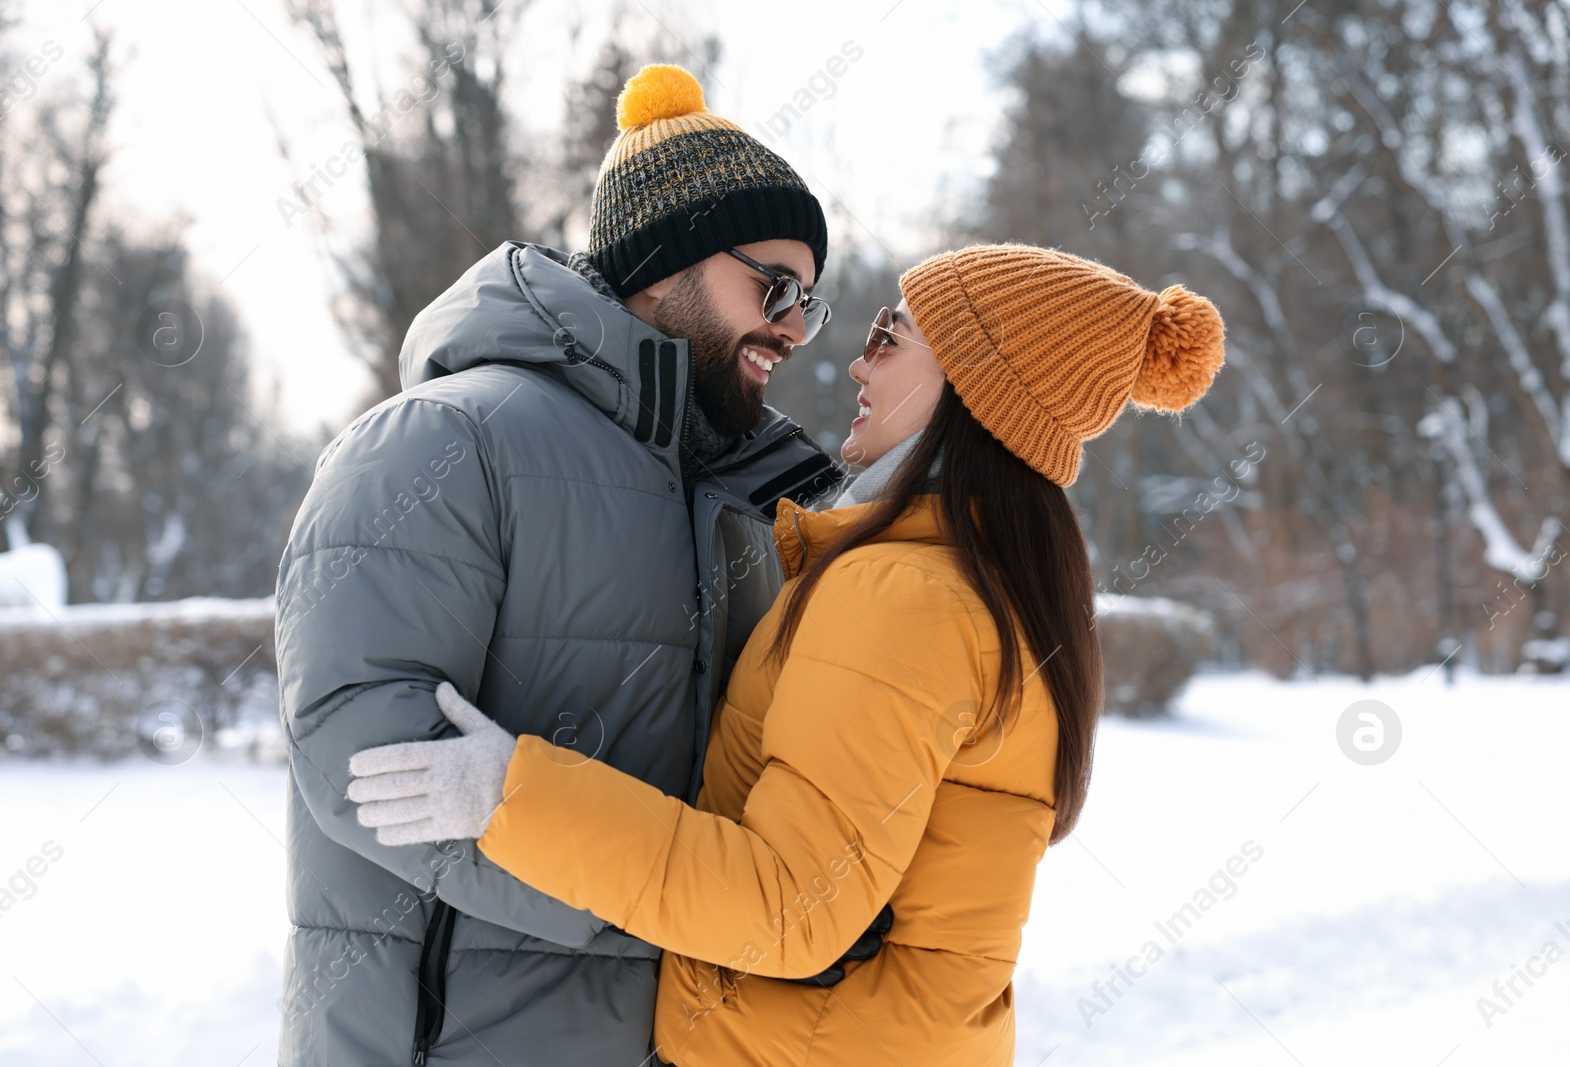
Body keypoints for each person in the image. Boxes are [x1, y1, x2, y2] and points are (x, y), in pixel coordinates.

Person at [347, 243, 1227, 1065]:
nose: (857, 361)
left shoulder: (903, 598)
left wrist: (515, 794)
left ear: (970, 384)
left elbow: (789, 904)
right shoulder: (980, 584)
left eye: (891, 336)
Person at [273, 64, 844, 1066]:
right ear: (663, 262)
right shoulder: (441, 444)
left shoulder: (753, 499)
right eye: (775, 285)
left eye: (811, 300)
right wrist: (675, 907)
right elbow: (363, 756)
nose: (796, 326)